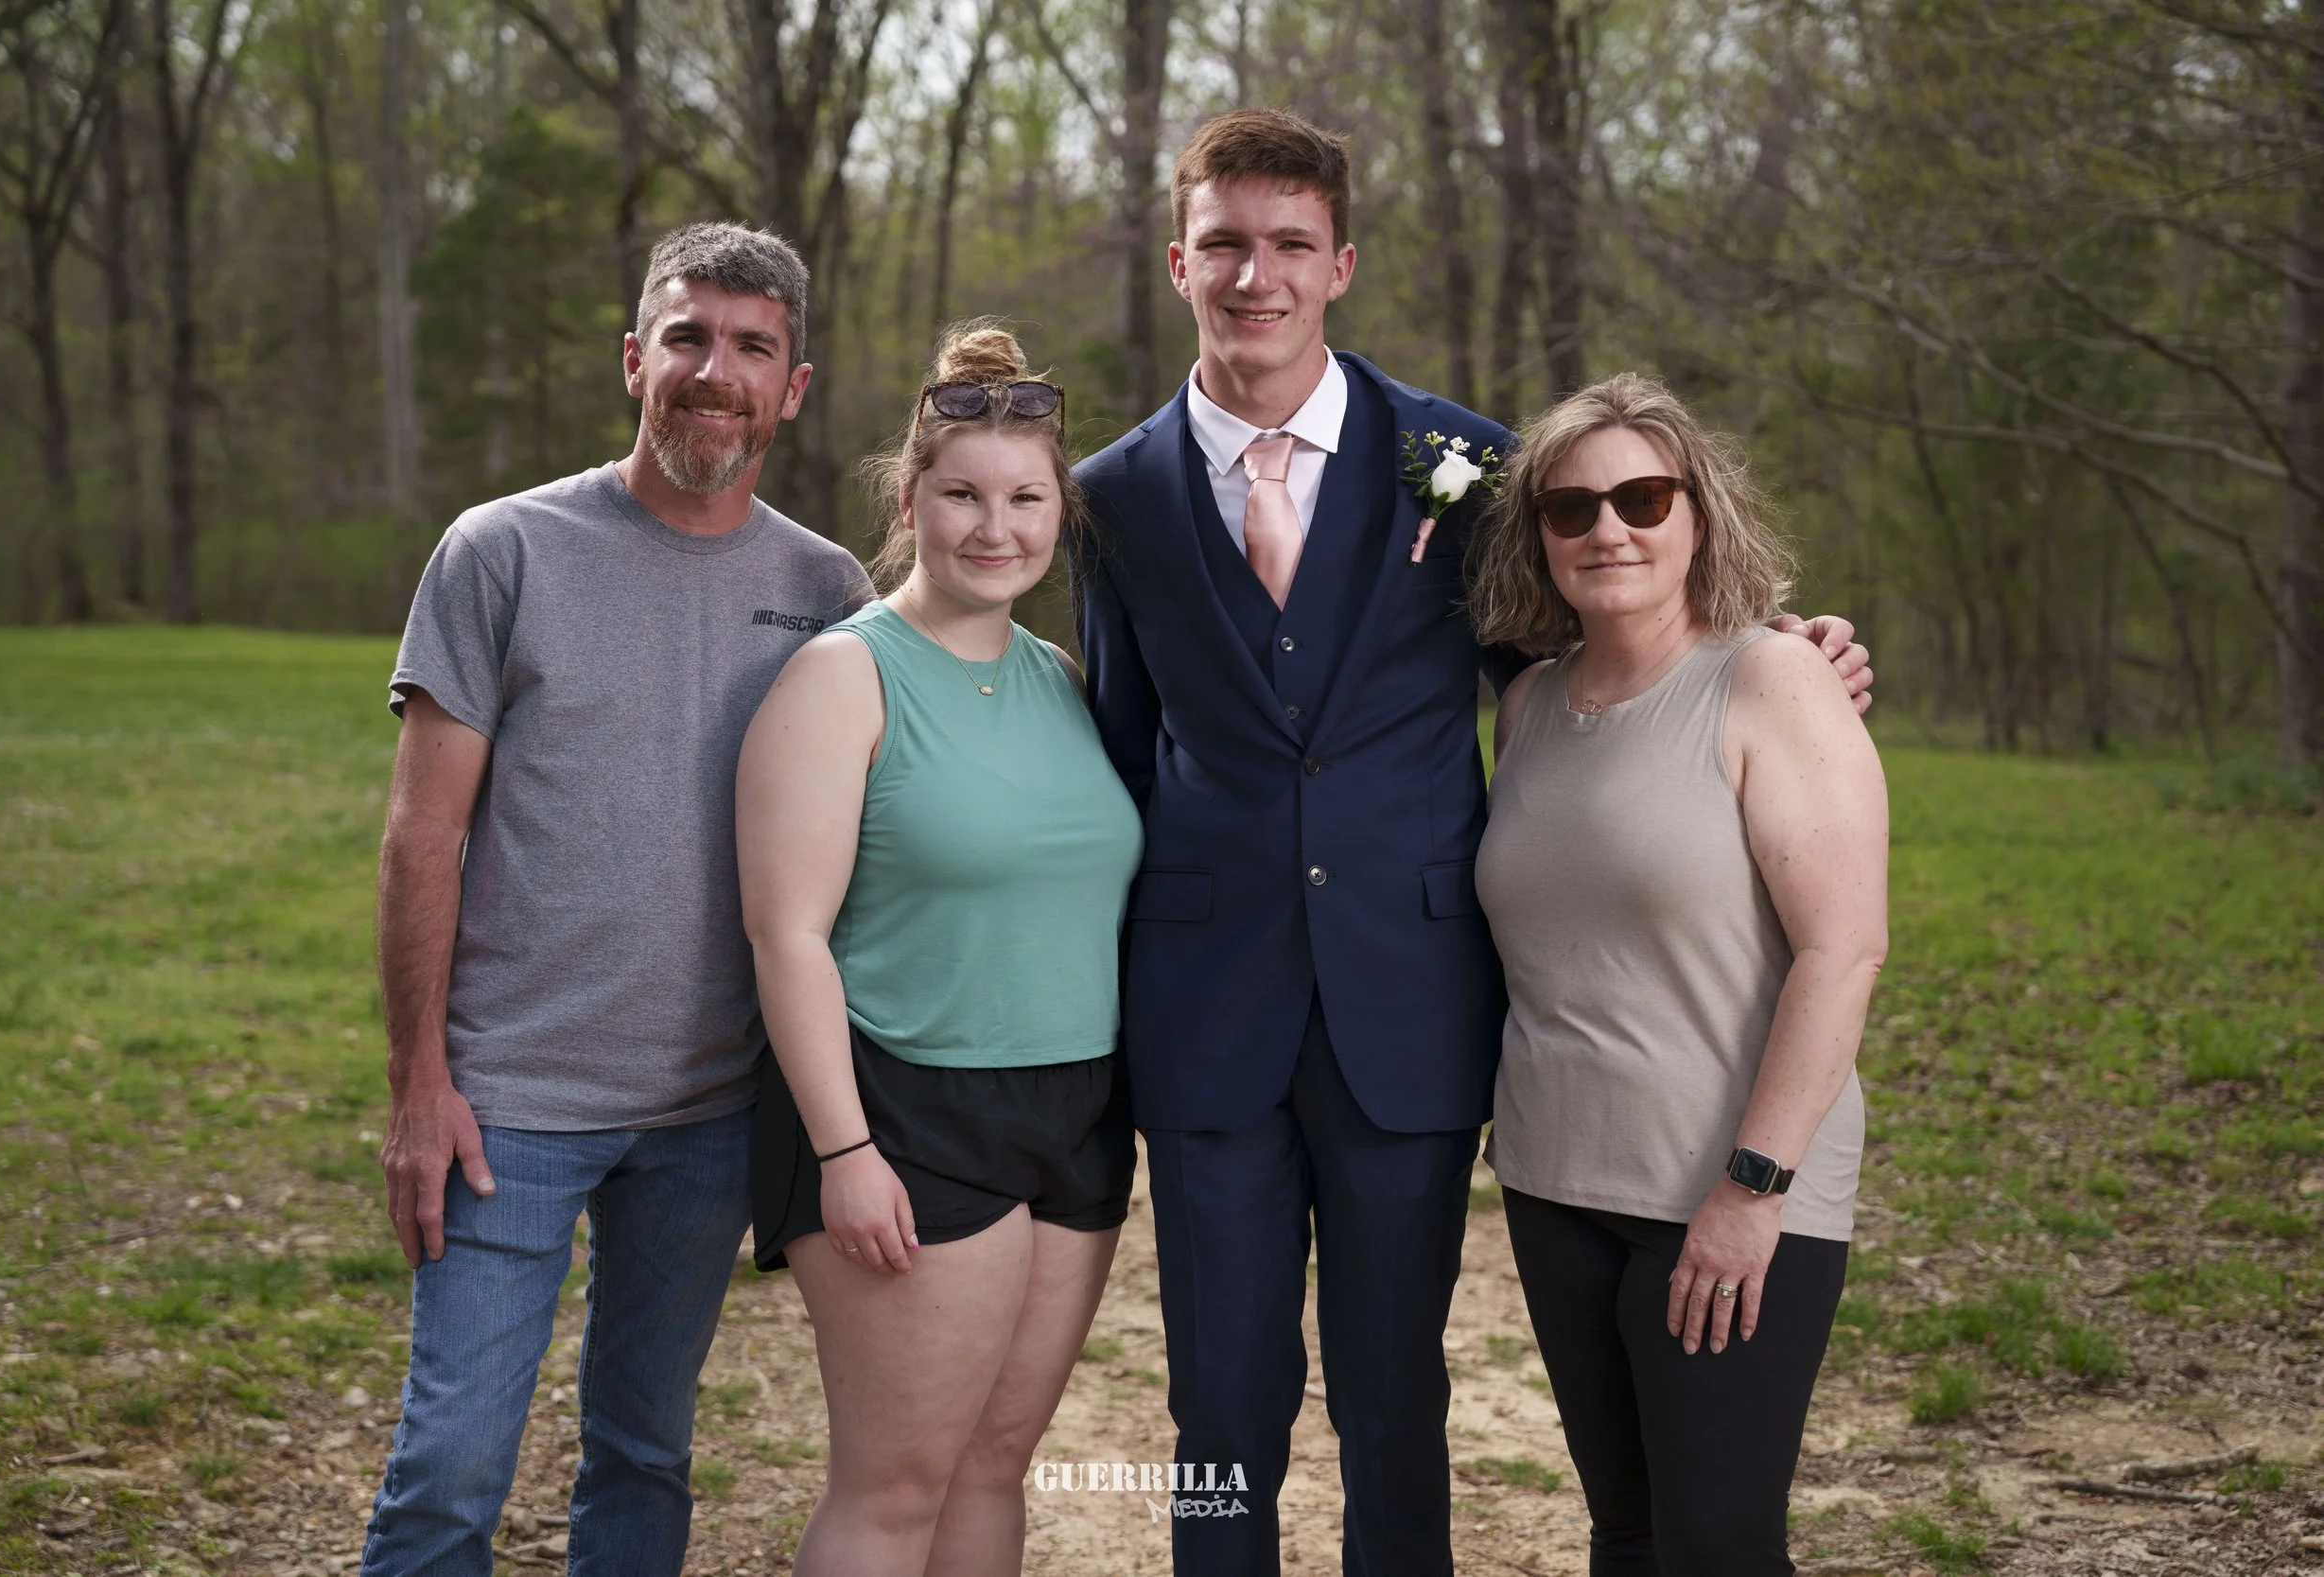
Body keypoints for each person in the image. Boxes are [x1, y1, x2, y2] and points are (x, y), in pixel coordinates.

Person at [1070, 107, 1875, 1576]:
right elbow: (1125, 752)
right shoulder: (1110, 496)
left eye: (1290, 246)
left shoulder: (1467, 461)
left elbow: (1605, 650)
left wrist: (1782, 644)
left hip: (1413, 1006)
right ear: (1179, 261)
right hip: (1203, 1017)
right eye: (1226, 245)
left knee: (1397, 1392)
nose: (1258, 275)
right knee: (1213, 1405)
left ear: (1341, 264)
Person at [362, 222, 871, 1577]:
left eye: (752, 347)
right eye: (690, 338)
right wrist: (420, 1077)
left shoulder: (829, 591)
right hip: (506, 1102)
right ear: (635, 358)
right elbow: (422, 833)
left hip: (710, 1111)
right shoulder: (503, 550)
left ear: (796, 386)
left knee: (645, 1449)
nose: (718, 371)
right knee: (450, 1470)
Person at [735, 322, 1144, 1577]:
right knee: (896, 1485)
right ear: (910, 498)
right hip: (904, 1110)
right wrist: (845, 1149)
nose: (994, 525)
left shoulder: (1060, 677)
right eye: (961, 493)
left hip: (1075, 1111)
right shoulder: (843, 676)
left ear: (1058, 509)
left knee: (990, 1470)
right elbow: (786, 932)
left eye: (1026, 497)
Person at [1470, 374, 1888, 1576]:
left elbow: (1842, 948)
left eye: (1643, 498)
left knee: (1718, 1541)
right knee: (1628, 1532)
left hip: (1726, 1190)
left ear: (1698, 513)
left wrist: (1752, 1187)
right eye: (1571, 507)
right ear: (1538, 534)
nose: (1609, 528)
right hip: (1556, 1185)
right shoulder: (1533, 704)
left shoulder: (1774, 680)